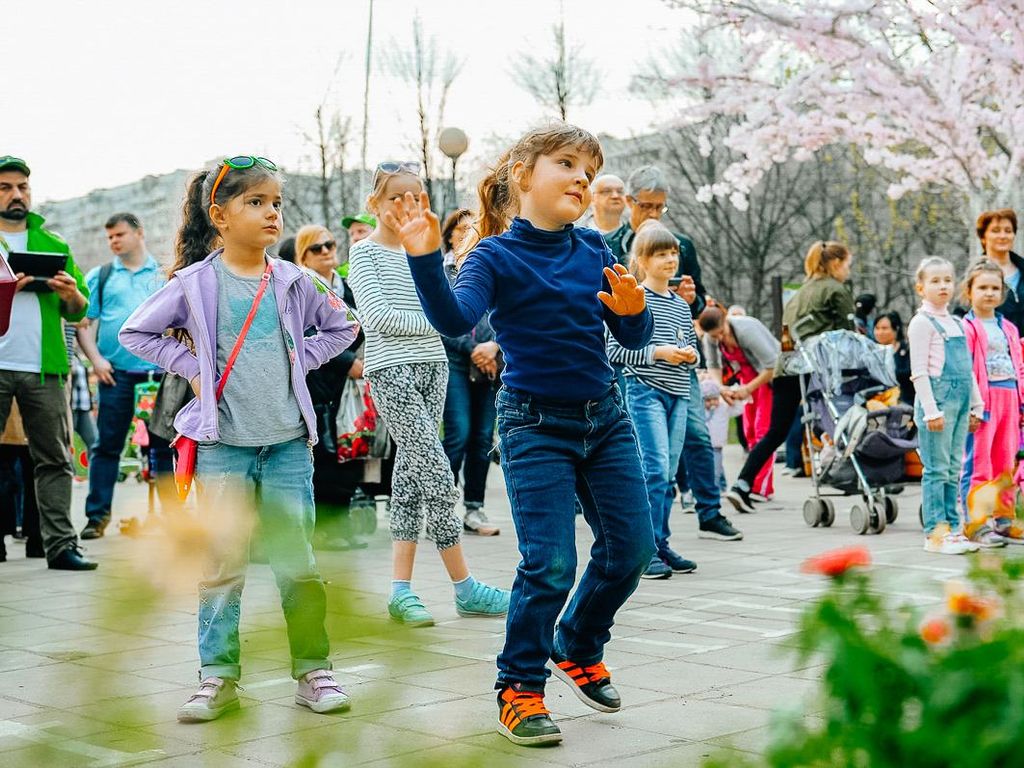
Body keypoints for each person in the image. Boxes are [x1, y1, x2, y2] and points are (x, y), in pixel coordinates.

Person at [393, 124, 657, 747]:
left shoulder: (595, 249)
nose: (581, 180)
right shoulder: (493, 256)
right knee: (550, 563)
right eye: (566, 164)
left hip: (605, 418)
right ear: (522, 174)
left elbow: (634, 339)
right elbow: (456, 319)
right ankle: (519, 689)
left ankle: (578, 643)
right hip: (534, 423)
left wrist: (633, 314)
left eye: (589, 173)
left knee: (632, 551)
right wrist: (426, 258)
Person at [119, 155, 358, 722]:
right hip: (222, 446)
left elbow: (343, 325)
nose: (271, 213)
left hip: (286, 448)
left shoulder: (296, 280)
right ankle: (217, 678)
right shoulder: (196, 282)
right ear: (220, 216)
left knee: (296, 560)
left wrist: (304, 360)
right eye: (256, 202)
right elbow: (136, 332)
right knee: (222, 563)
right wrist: (194, 367)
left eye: (276, 202)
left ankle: (314, 671)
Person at [347, 161, 510, 629]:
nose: (407, 204)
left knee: (411, 476)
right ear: (375, 203)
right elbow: (377, 317)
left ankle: (400, 591)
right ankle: (465, 587)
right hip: (390, 370)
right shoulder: (364, 253)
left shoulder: (429, 254)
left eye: (416, 195)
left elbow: (452, 305)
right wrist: (443, 323)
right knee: (437, 470)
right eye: (396, 196)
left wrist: (447, 320)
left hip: (434, 367)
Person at [0, 155, 95, 570]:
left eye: (22, 186)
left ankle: (61, 547)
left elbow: (77, 310)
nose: (16, 194)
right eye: (5, 187)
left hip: (46, 367)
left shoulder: (54, 245)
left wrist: (69, 291)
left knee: (55, 459)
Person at [607, 219, 710, 580]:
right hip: (644, 391)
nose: (670, 260)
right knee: (652, 469)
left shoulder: (681, 304)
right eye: (661, 254)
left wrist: (689, 356)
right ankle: (643, 549)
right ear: (642, 259)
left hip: (679, 393)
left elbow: (693, 347)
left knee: (667, 474)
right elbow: (614, 349)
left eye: (673, 254)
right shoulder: (636, 299)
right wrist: (659, 353)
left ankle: (660, 542)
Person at [726, 241, 857, 514]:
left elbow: (786, 335)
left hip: (787, 367)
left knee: (776, 432)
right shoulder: (835, 290)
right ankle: (857, 474)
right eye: (847, 264)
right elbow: (847, 338)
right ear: (835, 264)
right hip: (818, 369)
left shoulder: (798, 295)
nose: (848, 270)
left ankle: (743, 482)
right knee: (842, 418)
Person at [77, 213, 173, 539]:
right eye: (110, 237)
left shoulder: (163, 275)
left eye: (119, 234)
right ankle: (96, 517)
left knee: (162, 446)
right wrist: (96, 361)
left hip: (158, 376)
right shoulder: (100, 276)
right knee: (107, 446)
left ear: (139, 233)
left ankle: (175, 522)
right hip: (114, 376)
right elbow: (83, 325)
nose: (114, 241)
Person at [294, 224, 367, 549]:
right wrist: (347, 361)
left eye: (330, 244)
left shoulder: (346, 285)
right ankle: (323, 529)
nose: (326, 251)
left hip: (350, 386)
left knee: (349, 449)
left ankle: (340, 523)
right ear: (304, 255)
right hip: (320, 380)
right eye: (317, 248)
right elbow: (306, 333)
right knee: (324, 452)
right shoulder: (302, 285)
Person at [907, 256, 984, 555]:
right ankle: (935, 533)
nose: (942, 286)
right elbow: (919, 372)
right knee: (936, 469)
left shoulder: (956, 322)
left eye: (947, 280)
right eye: (935, 281)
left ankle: (954, 528)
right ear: (920, 287)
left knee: (953, 468)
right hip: (936, 404)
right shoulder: (921, 323)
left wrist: (976, 405)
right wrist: (931, 410)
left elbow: (968, 370)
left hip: (961, 402)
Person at [440, 208, 501, 536]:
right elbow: (441, 318)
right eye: (460, 229)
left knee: (481, 439)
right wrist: (473, 349)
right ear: (449, 235)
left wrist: (494, 347)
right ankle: (443, 508)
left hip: (490, 362)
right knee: (459, 434)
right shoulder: (442, 271)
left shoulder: (491, 265)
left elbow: (505, 312)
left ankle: (474, 509)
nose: (466, 234)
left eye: (472, 229)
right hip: (456, 362)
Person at [959, 259, 1022, 546]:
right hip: (982, 401)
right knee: (978, 463)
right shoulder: (966, 327)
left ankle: (1004, 518)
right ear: (969, 291)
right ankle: (976, 523)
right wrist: (972, 406)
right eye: (982, 287)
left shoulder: (1007, 327)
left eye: (995, 288)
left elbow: (1017, 364)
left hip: (1009, 396)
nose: (989, 293)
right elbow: (964, 370)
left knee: (1005, 461)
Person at [699, 306, 780, 501]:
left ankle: (761, 487)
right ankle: (750, 481)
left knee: (763, 431)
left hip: (770, 379)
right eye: (714, 336)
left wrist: (748, 389)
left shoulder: (746, 330)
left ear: (726, 321)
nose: (718, 339)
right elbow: (714, 366)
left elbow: (772, 365)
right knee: (749, 431)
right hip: (746, 380)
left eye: (721, 334)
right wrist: (722, 389)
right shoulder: (711, 338)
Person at [602, 165, 706, 316]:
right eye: (646, 206)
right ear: (629, 201)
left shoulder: (682, 245)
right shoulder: (608, 245)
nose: (653, 214)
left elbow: (700, 305)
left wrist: (692, 299)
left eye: (660, 207)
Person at [975, 209, 1023, 333]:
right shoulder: (975, 275)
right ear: (983, 237)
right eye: (996, 231)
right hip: (994, 349)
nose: (1003, 236)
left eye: (1008, 231)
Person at [702, 377, 745, 492]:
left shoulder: (723, 408)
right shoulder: (700, 411)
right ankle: (721, 485)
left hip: (717, 445)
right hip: (704, 444)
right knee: (715, 467)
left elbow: (738, 410)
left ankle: (715, 488)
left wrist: (730, 399)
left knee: (716, 468)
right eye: (708, 400)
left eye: (714, 399)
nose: (712, 403)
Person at [873, 311, 914, 405]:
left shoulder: (907, 350)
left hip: (905, 401)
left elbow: (908, 374)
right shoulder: (871, 352)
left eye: (884, 328)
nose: (880, 332)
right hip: (877, 401)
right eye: (877, 328)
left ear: (896, 329)